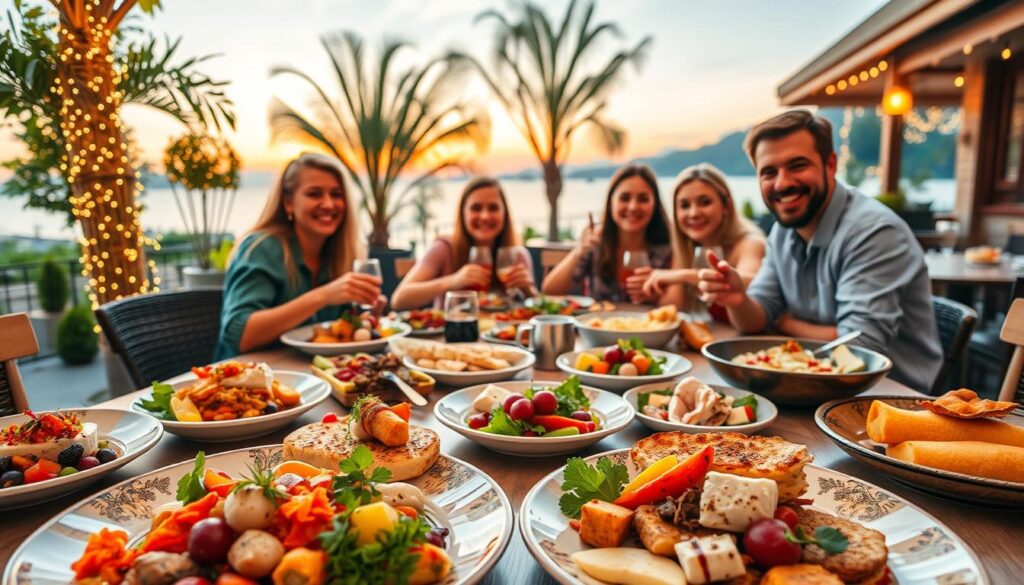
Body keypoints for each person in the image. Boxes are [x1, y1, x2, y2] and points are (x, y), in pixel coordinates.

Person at [696, 110, 942, 392]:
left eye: (797, 166)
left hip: (892, 396)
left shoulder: (873, 232)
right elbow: (758, 319)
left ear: (830, 164)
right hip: (815, 383)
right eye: (769, 172)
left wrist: (783, 322)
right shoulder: (784, 231)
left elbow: (859, 346)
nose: (782, 182)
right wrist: (737, 299)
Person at [215, 153, 382, 359]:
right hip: (243, 381)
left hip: (312, 377)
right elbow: (238, 335)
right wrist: (323, 296)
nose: (329, 204)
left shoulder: (339, 254)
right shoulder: (262, 248)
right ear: (288, 203)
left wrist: (365, 320)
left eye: (337, 194)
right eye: (314, 194)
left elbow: (334, 334)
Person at [390, 177, 536, 311]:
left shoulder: (518, 256)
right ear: (463, 213)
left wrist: (528, 290)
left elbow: (539, 309)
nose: (485, 216)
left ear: (505, 213)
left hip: (500, 337)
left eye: (493, 208)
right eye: (476, 208)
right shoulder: (444, 248)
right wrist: (454, 280)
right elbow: (399, 299)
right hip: (449, 337)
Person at [641, 163, 765, 318]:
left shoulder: (750, 242)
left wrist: (682, 275)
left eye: (705, 202)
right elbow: (674, 305)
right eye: (684, 205)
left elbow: (752, 281)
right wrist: (651, 293)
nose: (693, 213)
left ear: (726, 206)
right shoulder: (686, 249)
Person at [542, 164, 674, 303]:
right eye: (625, 198)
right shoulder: (596, 242)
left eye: (643, 199)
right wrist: (579, 250)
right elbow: (550, 291)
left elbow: (679, 305)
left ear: (655, 204)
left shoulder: (667, 249)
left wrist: (655, 297)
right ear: (611, 203)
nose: (633, 207)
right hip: (598, 323)